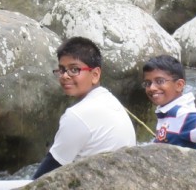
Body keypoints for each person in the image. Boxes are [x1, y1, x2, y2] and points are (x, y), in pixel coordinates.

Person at [32, 37, 135, 180]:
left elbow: (42, 178)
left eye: (74, 69)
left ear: (95, 75)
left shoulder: (78, 115)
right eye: (62, 70)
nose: (65, 76)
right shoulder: (109, 100)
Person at [142, 55, 196, 151]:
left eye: (159, 81)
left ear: (179, 85)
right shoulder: (167, 113)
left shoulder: (181, 114)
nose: (152, 88)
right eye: (148, 83)